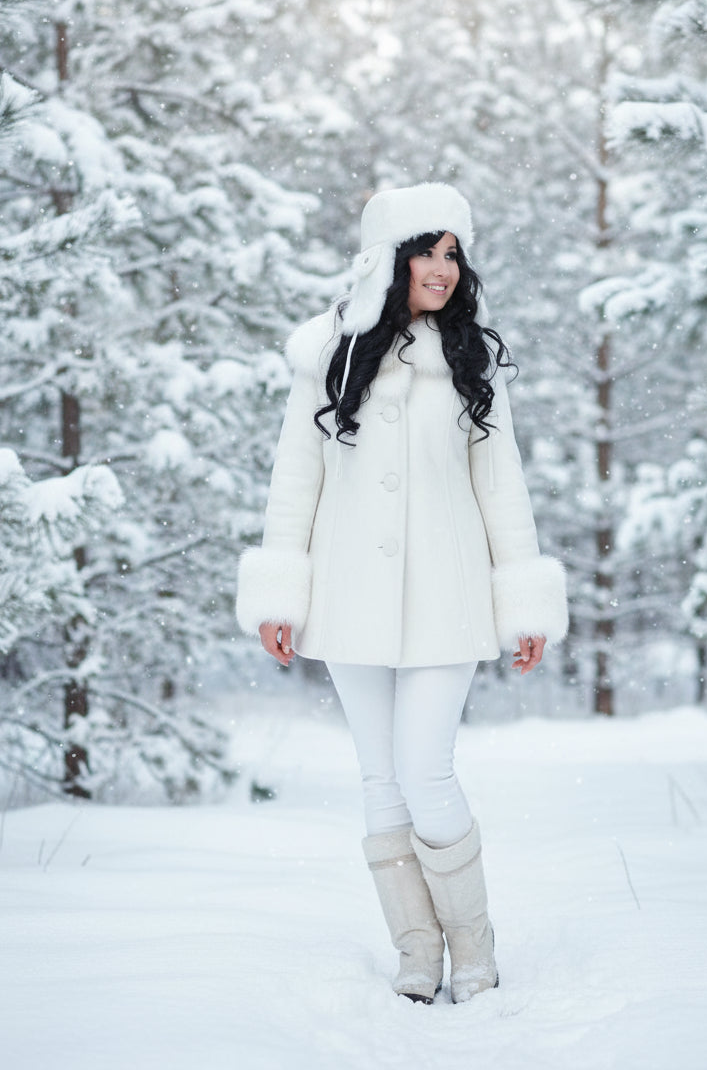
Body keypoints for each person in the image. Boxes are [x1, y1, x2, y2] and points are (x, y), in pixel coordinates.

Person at [236, 182, 568, 1004]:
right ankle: (417, 952)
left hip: (448, 598)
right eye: (427, 251)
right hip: (348, 594)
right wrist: (280, 592)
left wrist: (523, 602)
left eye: (453, 253)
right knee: (380, 781)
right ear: (389, 260)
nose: (443, 268)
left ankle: (474, 948)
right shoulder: (331, 354)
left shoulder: (471, 361)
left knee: (426, 772)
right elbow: (296, 478)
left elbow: (503, 488)